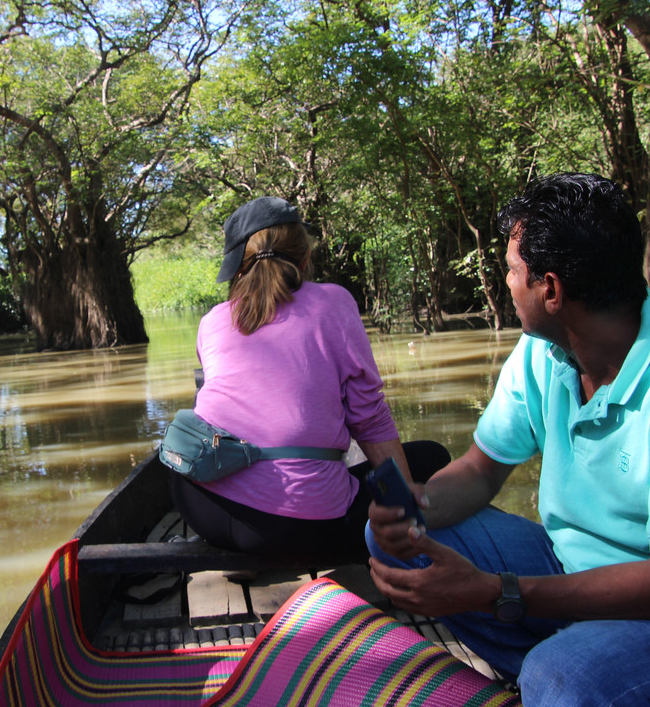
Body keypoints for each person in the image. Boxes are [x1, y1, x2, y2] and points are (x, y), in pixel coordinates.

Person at [366, 173, 650, 707]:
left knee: (560, 684)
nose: (505, 283)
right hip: (571, 574)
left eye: (511, 271)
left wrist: (501, 593)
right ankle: (583, 678)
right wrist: (416, 506)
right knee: (392, 540)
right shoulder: (543, 352)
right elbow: (479, 470)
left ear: (551, 290)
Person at [171, 196, 448, 558]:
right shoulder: (334, 303)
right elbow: (367, 416)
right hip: (307, 528)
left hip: (210, 513)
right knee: (431, 456)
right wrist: (404, 497)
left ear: (236, 268)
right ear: (304, 257)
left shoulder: (211, 321)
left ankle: (238, 554)